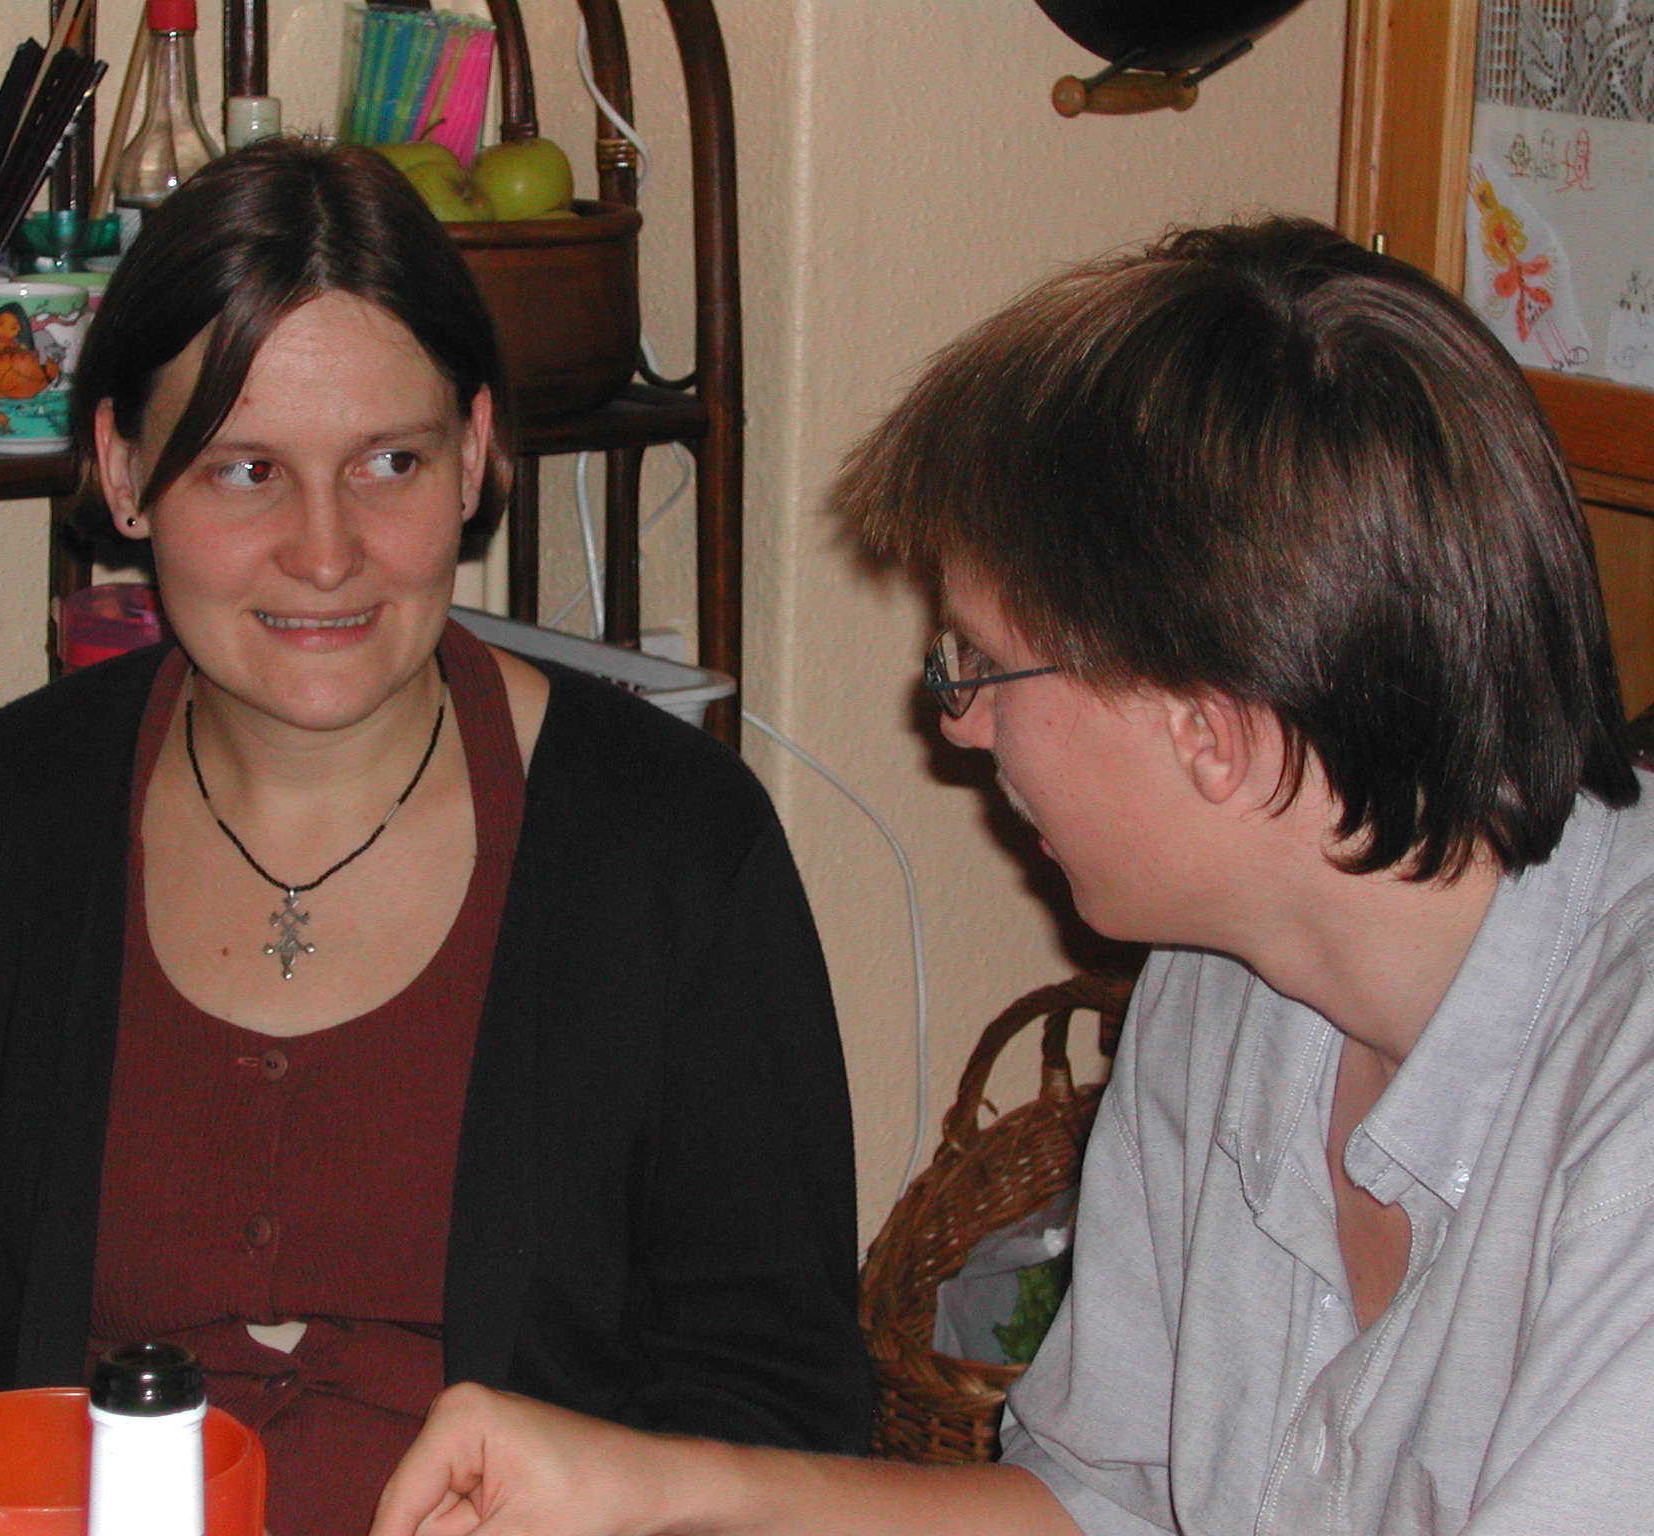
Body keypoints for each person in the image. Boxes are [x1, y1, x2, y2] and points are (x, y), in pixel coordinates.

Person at [0, 139, 873, 1532]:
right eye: (243, 471)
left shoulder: (676, 846)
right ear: (123, 472)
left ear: (477, 452)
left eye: (390, 462)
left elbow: (776, 1396)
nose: (326, 551)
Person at [369, 216, 1654, 1536]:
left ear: (1212, 731)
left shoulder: (1625, 1120)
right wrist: (649, 1489)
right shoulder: (1229, 971)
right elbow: (1102, 1503)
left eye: (983, 662)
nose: (961, 720)